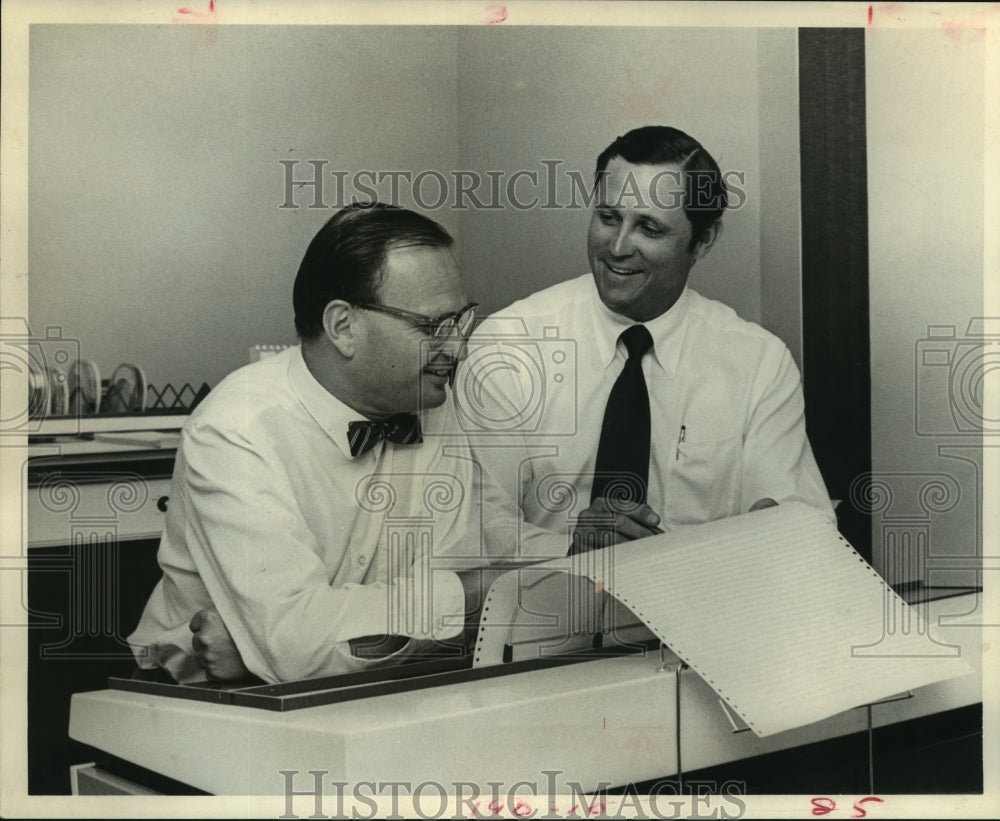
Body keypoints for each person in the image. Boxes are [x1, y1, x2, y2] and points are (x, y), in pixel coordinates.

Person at [128, 203, 482, 684]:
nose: (457, 347)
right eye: (431, 326)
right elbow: (304, 647)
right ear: (343, 327)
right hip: (200, 699)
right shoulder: (235, 430)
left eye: (461, 320)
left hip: (364, 686)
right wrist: (294, 646)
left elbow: (453, 593)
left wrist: (268, 644)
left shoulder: (430, 398)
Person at [458, 125, 833, 560]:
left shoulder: (758, 363)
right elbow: (475, 523)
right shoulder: (508, 344)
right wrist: (571, 548)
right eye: (608, 218)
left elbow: (802, 522)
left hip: (695, 616)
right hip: (547, 616)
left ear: (704, 239)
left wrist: (772, 530)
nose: (617, 247)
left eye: (649, 229)